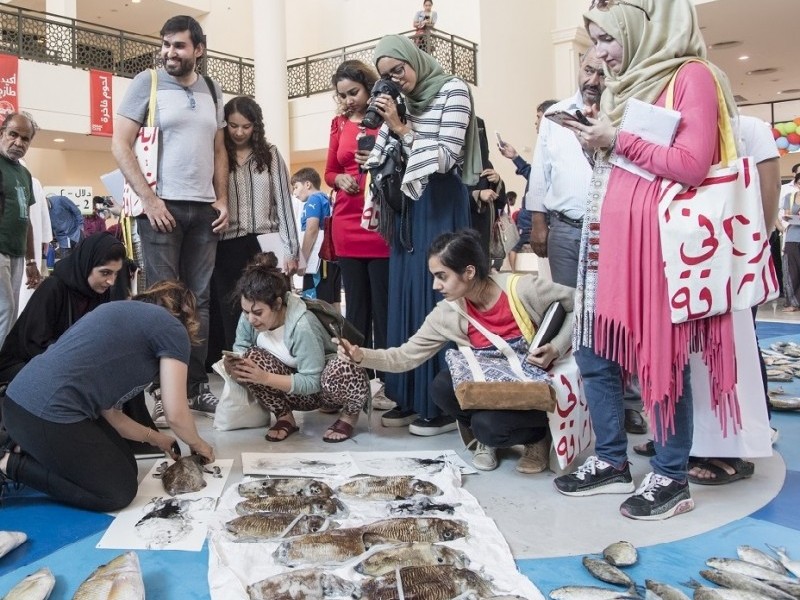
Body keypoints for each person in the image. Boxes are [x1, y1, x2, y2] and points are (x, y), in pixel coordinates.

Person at [553, 0, 742, 521]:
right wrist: (598, 143)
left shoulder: (691, 76)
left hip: (655, 251)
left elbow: (691, 163)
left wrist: (615, 138)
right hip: (608, 247)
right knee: (593, 352)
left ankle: (672, 475)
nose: (600, 53)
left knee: (657, 362)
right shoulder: (627, 83)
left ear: (638, 28)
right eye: (594, 41)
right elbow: (628, 164)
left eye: (606, 40)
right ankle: (612, 461)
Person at [336, 229, 574, 473]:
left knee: (488, 427)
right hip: (491, 389)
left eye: (442, 276)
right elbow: (406, 356)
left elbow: (579, 304)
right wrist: (362, 356)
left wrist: (556, 347)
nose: (435, 285)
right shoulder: (448, 312)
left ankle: (537, 438)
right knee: (442, 386)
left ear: (469, 272)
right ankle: (489, 438)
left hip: (533, 389)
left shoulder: (521, 289)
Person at [0, 280, 215, 512]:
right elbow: (175, 413)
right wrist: (198, 444)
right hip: (45, 412)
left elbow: (111, 414)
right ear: (185, 313)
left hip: (18, 402)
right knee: (116, 492)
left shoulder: (121, 314)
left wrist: (158, 439)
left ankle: (25, 447)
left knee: (127, 467)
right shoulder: (172, 328)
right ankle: (8, 463)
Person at [362, 34, 481, 436]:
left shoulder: (453, 89)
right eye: (387, 75)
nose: (397, 79)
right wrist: (382, 137)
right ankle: (407, 395)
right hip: (407, 211)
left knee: (439, 296)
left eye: (399, 69)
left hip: (441, 204)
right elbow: (380, 154)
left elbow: (447, 156)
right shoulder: (398, 100)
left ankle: (440, 402)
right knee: (407, 294)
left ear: (415, 60)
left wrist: (401, 127)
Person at [111, 15, 228, 419]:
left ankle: (195, 387)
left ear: (199, 48)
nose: (169, 53)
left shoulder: (213, 88)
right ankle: (164, 389)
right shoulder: (148, 82)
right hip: (161, 208)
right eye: (165, 44)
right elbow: (120, 144)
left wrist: (223, 200)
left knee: (201, 302)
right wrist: (150, 201)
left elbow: (219, 151)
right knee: (165, 302)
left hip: (204, 209)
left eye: (178, 45)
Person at [0, 232, 162, 457]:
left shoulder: (101, 294)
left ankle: (138, 439)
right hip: (29, 365)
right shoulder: (53, 288)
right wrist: (79, 362)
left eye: (116, 274)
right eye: (105, 273)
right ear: (87, 265)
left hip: (69, 364)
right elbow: (32, 344)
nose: (111, 281)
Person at [224, 252, 369, 443]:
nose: (251, 319)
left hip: (322, 389)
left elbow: (313, 381)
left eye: (258, 313)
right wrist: (234, 367)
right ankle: (284, 417)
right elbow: (240, 350)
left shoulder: (302, 325)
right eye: (246, 311)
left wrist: (265, 377)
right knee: (250, 359)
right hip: (289, 390)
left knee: (343, 368)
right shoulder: (249, 318)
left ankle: (348, 416)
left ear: (277, 304)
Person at [207, 96, 299, 369]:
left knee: (270, 306)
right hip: (227, 243)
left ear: (255, 126)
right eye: (233, 126)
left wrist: (291, 249)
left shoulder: (269, 154)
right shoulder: (218, 155)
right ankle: (238, 367)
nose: (238, 132)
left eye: (246, 126)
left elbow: (283, 202)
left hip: (265, 243)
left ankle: (276, 365)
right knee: (232, 309)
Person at [325, 60, 394, 408]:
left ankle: (386, 382)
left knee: (382, 307)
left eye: (354, 92)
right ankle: (358, 381)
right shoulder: (338, 125)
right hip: (347, 222)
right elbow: (329, 171)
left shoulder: (388, 120)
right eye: (343, 95)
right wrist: (339, 179)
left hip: (378, 222)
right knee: (354, 310)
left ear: (369, 87)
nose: (349, 100)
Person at [0, 113, 42, 344]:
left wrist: (31, 262)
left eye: (25, 139)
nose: (18, 142)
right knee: (5, 311)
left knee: (11, 312)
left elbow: (25, 220)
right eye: (13, 134)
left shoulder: (24, 174)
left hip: (16, 254)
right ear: (2, 133)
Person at [291, 168, 341, 310]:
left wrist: (302, 259)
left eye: (296, 187)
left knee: (316, 306)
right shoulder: (327, 198)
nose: (294, 193)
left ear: (308, 184)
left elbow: (311, 229)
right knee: (333, 302)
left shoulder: (314, 199)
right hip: (331, 259)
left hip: (318, 262)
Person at [780, 172, 800, 313]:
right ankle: (791, 302)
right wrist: (789, 218)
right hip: (792, 236)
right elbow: (786, 214)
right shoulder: (790, 196)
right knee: (791, 271)